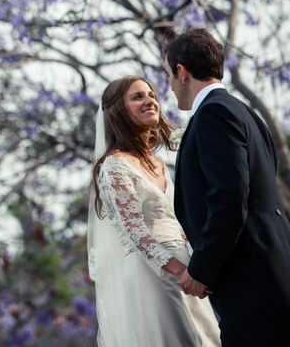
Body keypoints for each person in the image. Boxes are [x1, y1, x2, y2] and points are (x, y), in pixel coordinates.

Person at [164, 28, 290, 347]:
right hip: (271, 265)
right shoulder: (245, 112)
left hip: (251, 277)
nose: (169, 84)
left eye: (168, 74)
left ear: (181, 71)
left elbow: (230, 198)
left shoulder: (213, 114)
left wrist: (202, 269)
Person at [88, 75, 220, 346]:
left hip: (187, 267)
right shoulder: (114, 166)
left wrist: (197, 266)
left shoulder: (159, 162)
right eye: (137, 97)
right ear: (118, 111)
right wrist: (180, 272)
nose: (149, 100)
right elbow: (136, 233)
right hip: (153, 272)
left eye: (151, 95)